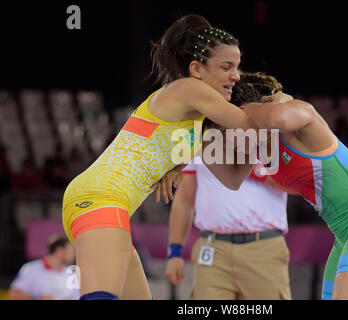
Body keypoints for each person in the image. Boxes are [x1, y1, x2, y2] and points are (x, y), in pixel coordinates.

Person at [61, 14, 257, 300]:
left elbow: (233, 175)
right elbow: (250, 125)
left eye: (237, 67)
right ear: (196, 69)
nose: (236, 76)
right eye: (227, 67)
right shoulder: (189, 89)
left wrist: (177, 166)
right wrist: (280, 104)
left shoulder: (193, 114)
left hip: (102, 204)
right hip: (101, 200)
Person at [229, 72, 348, 300]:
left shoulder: (299, 121)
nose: (230, 134)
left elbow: (283, 117)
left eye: (230, 124)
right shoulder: (263, 150)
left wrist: (242, 111)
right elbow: (290, 184)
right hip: (344, 235)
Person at [165, 140, 292, 299]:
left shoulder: (272, 131)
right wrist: (174, 253)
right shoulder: (200, 135)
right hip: (213, 249)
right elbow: (184, 198)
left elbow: (300, 185)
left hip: (263, 249)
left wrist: (249, 170)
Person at [9, 234, 79, 300]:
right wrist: (38, 297)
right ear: (59, 251)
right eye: (71, 250)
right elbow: (14, 294)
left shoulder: (71, 274)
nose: (73, 254)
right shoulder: (31, 269)